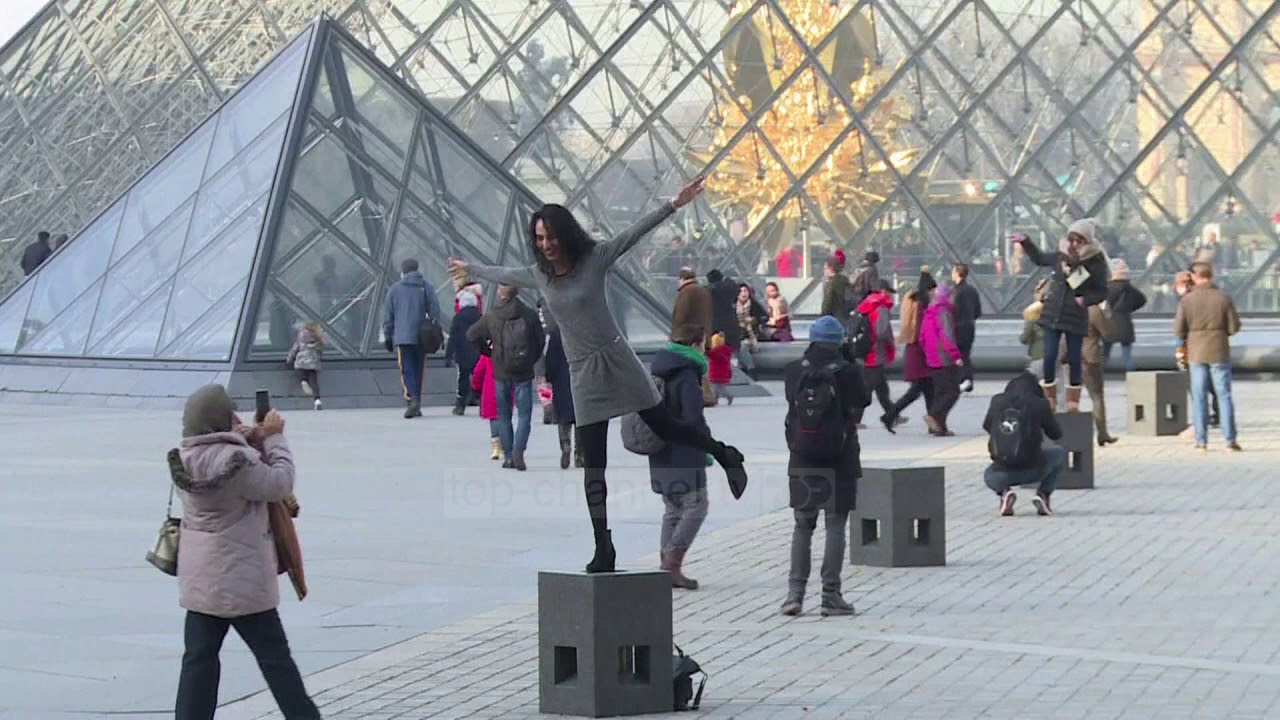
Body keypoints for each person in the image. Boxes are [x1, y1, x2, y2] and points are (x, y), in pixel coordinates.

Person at [448, 178, 747, 573]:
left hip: (617, 358)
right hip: (583, 373)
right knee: (594, 466)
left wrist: (673, 204)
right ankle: (603, 547)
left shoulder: (595, 259)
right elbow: (504, 271)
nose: (545, 244)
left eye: (551, 236)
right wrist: (471, 268)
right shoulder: (539, 275)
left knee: (667, 425)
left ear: (565, 233)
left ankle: (726, 455)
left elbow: (632, 233)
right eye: (539, 238)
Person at [172, 385, 319, 719]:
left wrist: (242, 437)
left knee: (198, 661)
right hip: (243, 580)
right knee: (276, 660)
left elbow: (219, 457)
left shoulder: (183, 459)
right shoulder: (237, 461)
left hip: (202, 583)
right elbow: (280, 482)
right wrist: (274, 438)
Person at [781, 315, 869, 617]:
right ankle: (831, 595)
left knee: (802, 526)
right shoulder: (848, 372)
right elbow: (862, 402)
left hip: (802, 456)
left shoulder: (794, 370)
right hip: (840, 457)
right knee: (835, 525)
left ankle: (794, 595)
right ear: (839, 341)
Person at [1012, 220, 1110, 412]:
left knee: (1074, 358)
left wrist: (1085, 300)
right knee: (1049, 355)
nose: (1074, 244)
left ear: (1088, 241)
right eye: (1072, 239)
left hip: (1075, 315)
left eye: (1079, 240)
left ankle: (1073, 401)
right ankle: (1050, 396)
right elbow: (1040, 258)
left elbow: (1102, 291)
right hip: (1053, 313)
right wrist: (1026, 242)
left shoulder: (1095, 262)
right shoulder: (1060, 256)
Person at [649, 324, 712, 590]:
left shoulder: (658, 369)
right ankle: (671, 563)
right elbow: (693, 418)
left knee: (673, 508)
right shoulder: (686, 373)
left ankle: (667, 564)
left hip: (660, 450)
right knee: (697, 505)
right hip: (684, 452)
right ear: (696, 344)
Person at [467, 285, 544, 471]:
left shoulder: (493, 316)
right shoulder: (530, 315)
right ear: (517, 292)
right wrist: (530, 359)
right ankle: (519, 452)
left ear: (500, 294)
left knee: (503, 415)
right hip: (523, 371)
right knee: (524, 415)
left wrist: (488, 352)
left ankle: (508, 456)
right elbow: (540, 342)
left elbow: (471, 335)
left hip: (501, 370)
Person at [1175, 262, 1241, 452]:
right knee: (1224, 395)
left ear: (1195, 277)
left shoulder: (1187, 300)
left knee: (1199, 396)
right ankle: (1230, 440)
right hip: (1219, 351)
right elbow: (1234, 327)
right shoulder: (1223, 298)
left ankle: (1201, 441)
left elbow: (1178, 330)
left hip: (1196, 352)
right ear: (1211, 276)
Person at [982, 372, 1067, 517]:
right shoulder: (1039, 404)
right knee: (1059, 452)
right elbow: (1056, 434)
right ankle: (1043, 494)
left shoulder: (997, 401)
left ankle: (1005, 493)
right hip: (1036, 468)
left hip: (1002, 472)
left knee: (988, 474)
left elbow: (987, 426)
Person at [382, 258, 442, 419]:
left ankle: (412, 399)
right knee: (419, 369)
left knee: (406, 369)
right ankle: (417, 402)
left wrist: (388, 336)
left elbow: (388, 316)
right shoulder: (426, 286)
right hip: (423, 337)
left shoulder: (394, 289)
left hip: (403, 337)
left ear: (403, 271)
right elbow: (435, 311)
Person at [880, 268, 936, 432]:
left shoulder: (914, 304)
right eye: (933, 290)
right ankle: (890, 415)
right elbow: (921, 332)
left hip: (915, 352)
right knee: (917, 391)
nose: (934, 294)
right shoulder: (920, 307)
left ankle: (934, 423)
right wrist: (930, 353)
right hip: (919, 354)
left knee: (927, 390)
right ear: (927, 290)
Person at [920, 284, 964, 436]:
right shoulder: (944, 312)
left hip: (932, 357)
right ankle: (933, 415)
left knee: (940, 392)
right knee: (953, 391)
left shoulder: (929, 311)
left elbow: (922, 337)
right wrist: (956, 355)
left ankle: (939, 428)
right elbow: (947, 335)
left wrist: (928, 352)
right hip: (944, 357)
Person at [854, 279, 898, 426]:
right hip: (876, 351)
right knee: (869, 389)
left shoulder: (867, 304)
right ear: (883, 291)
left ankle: (893, 414)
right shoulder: (881, 307)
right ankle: (854, 419)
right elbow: (881, 332)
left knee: (881, 387)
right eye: (889, 292)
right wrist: (890, 343)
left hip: (867, 350)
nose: (891, 296)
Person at [542, 304, 579, 469]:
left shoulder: (557, 332)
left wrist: (549, 376)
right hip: (579, 378)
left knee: (563, 418)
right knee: (580, 418)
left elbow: (550, 357)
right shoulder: (581, 332)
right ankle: (579, 454)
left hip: (561, 380)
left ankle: (565, 445)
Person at [1079, 303, 1118, 446]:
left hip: (1071, 355)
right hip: (1090, 357)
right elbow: (1108, 333)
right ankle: (1102, 433)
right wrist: (1107, 316)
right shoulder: (1093, 310)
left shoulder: (1069, 306)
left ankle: (1069, 435)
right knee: (1097, 396)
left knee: (1069, 396)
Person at [1103, 259, 1146, 372]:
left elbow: (1103, 304)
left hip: (1109, 322)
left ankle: (1099, 374)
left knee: (1105, 353)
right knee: (1127, 355)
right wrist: (1129, 308)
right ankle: (1132, 374)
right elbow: (1142, 300)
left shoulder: (1108, 288)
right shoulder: (1130, 289)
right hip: (1125, 323)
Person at [446, 290, 483, 415]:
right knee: (480, 378)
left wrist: (448, 355)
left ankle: (460, 405)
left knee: (462, 379)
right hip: (478, 353)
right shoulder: (480, 317)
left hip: (462, 354)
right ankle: (482, 402)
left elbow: (453, 337)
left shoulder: (458, 318)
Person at [951, 263, 982, 392]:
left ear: (958, 273)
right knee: (966, 354)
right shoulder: (972, 290)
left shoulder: (955, 291)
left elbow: (952, 310)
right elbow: (978, 311)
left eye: (953, 271)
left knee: (956, 355)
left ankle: (961, 379)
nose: (952, 274)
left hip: (957, 327)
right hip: (969, 327)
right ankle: (967, 380)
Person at [285, 322, 325, 411]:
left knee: (300, 372)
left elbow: (294, 350)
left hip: (301, 362)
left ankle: (303, 381)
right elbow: (320, 352)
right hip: (313, 363)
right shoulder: (318, 340)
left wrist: (288, 360)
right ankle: (317, 400)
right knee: (314, 382)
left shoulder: (301, 339)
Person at [471, 353, 503, 460]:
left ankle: (496, 447)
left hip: (490, 387)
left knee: (494, 418)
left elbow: (478, 371)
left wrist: (476, 386)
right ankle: (506, 444)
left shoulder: (488, 353)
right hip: (506, 386)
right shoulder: (509, 348)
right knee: (505, 417)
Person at [735, 283, 767, 378]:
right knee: (738, 346)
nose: (743, 293)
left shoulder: (754, 304)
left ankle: (751, 369)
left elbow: (765, 317)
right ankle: (741, 369)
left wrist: (754, 320)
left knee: (743, 346)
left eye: (745, 291)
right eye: (740, 291)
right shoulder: (733, 305)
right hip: (737, 334)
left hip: (752, 334)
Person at [820, 254, 856, 336]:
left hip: (833, 320)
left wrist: (823, 317)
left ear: (831, 268)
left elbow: (827, 303)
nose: (824, 271)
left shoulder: (831, 283)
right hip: (845, 318)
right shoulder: (845, 281)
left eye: (825, 268)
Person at [706, 268, 741, 350]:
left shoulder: (708, 291)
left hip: (714, 327)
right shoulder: (729, 288)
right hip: (731, 327)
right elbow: (736, 287)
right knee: (732, 352)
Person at [1020, 278, 1049, 379]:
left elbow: (1024, 338)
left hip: (1038, 356)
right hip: (1058, 357)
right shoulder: (1059, 309)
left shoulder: (1033, 312)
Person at [706, 331, 734, 405]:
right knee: (718, 388)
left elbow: (711, 354)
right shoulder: (725, 350)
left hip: (717, 373)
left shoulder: (717, 351)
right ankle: (716, 399)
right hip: (723, 373)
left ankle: (728, 397)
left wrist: (706, 350)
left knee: (717, 388)